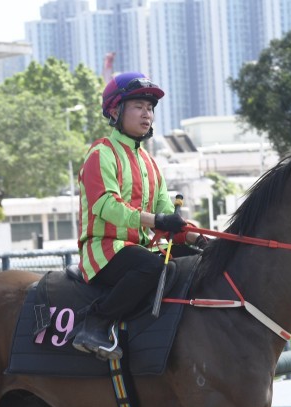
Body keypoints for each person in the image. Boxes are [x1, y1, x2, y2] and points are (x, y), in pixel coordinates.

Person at [72, 72, 202, 360]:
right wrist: (155, 221)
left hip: (138, 249)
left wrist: (198, 237)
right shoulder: (100, 154)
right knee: (152, 267)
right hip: (104, 250)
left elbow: (167, 212)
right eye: (139, 107)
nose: (147, 114)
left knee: (194, 258)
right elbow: (106, 205)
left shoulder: (149, 162)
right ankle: (94, 322)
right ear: (116, 111)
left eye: (150, 108)